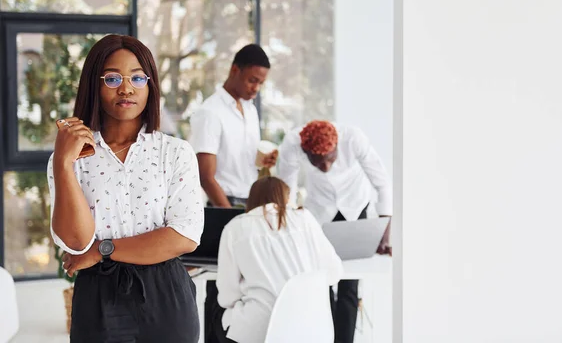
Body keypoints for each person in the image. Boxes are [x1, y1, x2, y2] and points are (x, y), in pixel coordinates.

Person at [48, 34, 204, 343]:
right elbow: (77, 243)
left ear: (150, 85)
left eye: (137, 77)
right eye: (112, 78)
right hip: (97, 300)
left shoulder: (174, 152)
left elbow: (184, 236)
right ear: (95, 84)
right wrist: (64, 164)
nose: (126, 87)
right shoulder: (70, 159)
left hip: (166, 296)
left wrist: (103, 250)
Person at [188, 43, 276, 342]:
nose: (256, 89)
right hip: (223, 205)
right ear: (234, 70)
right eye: (253, 80)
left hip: (249, 204)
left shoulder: (249, 110)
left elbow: (245, 161)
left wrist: (264, 162)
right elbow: (205, 175)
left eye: (261, 83)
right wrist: (230, 217)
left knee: (246, 285)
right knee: (220, 285)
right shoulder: (209, 113)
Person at [278, 120, 392, 343]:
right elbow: (286, 192)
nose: (326, 168)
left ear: (337, 145)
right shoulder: (292, 144)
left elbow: (382, 183)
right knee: (322, 284)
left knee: (349, 286)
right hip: (318, 215)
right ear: (305, 152)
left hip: (355, 209)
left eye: (330, 160)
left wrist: (384, 231)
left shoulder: (354, 138)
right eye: (318, 164)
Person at [212, 176, 343, 343]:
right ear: (286, 198)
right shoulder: (305, 218)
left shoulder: (234, 228)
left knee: (217, 311)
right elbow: (334, 273)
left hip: (260, 332)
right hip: (312, 329)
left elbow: (227, 296)